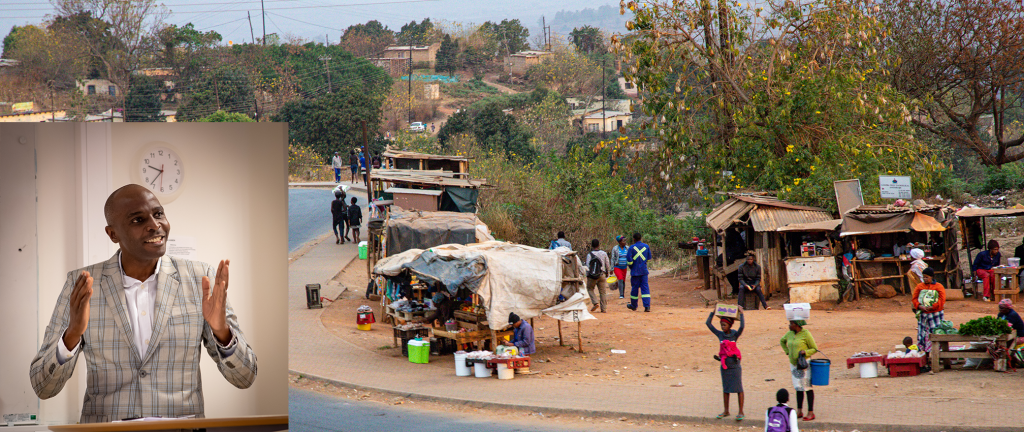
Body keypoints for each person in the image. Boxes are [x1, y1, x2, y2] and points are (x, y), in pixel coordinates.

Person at [29, 184, 257, 423]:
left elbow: (245, 378)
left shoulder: (202, 280)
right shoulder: (83, 285)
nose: (155, 225)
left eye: (158, 214)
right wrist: (72, 336)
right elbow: (43, 387)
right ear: (113, 234)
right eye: (138, 220)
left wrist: (222, 332)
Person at [706, 311, 745, 421]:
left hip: (735, 365)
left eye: (724, 325)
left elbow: (742, 326)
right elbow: (708, 324)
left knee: (739, 388)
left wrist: (741, 314)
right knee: (726, 388)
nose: (722, 327)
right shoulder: (720, 335)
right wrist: (712, 312)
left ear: (730, 325)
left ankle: (741, 411)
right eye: (721, 325)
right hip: (725, 367)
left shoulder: (734, 334)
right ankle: (726, 410)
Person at [780, 319, 817, 421]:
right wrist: (787, 352)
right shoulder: (789, 334)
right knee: (798, 387)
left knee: (807, 387)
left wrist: (805, 352)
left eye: (791, 324)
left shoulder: (806, 334)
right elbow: (782, 341)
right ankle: (799, 411)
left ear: (797, 325)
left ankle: (810, 412)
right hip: (794, 365)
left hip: (804, 365)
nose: (789, 325)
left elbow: (814, 348)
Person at [912, 267, 946, 360]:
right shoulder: (919, 286)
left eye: (927, 277)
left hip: (935, 314)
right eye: (924, 277)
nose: (925, 279)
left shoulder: (939, 287)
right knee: (923, 334)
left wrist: (933, 306)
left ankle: (937, 355)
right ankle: (926, 356)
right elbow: (914, 299)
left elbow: (942, 300)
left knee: (935, 333)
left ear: (932, 277)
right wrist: (920, 306)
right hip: (923, 314)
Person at [627, 232, 653, 312]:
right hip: (644, 272)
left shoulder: (631, 248)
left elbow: (629, 261)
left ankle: (634, 306)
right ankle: (647, 306)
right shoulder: (646, 246)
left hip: (635, 272)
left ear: (634, 239)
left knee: (634, 289)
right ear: (641, 238)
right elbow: (649, 258)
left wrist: (632, 267)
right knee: (645, 289)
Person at [584, 239, 611, 312]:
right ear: (599, 245)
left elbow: (587, 265)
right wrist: (607, 272)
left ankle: (595, 302)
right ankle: (604, 308)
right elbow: (607, 264)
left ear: (591, 246)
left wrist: (587, 275)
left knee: (590, 288)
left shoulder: (589, 255)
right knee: (602, 292)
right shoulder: (604, 253)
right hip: (601, 274)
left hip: (592, 276)